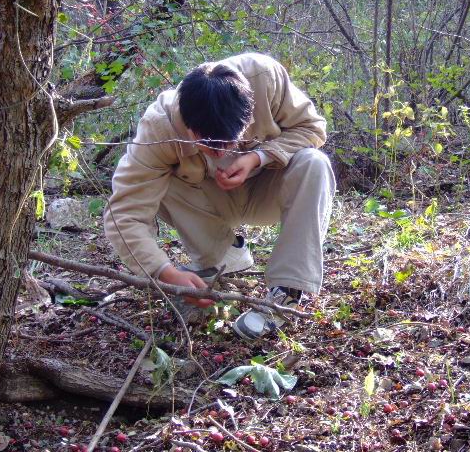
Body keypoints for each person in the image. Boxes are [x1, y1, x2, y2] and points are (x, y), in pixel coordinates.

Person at [104, 52, 335, 340]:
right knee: (158, 183)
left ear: (249, 116)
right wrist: (164, 272)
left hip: (266, 191)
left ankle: (287, 291)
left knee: (314, 163)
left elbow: (312, 128)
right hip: (209, 202)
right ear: (189, 127)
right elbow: (124, 213)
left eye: (229, 142)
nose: (221, 152)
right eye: (209, 144)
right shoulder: (159, 126)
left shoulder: (264, 78)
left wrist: (259, 157)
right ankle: (224, 254)